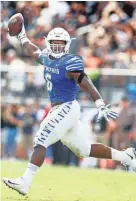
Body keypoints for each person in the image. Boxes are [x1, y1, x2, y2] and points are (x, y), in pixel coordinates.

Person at [3, 14, 136, 196]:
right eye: (54, 42)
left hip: (67, 107)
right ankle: (126, 156)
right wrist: (22, 36)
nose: (57, 46)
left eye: (61, 43)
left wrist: (99, 103)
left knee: (41, 138)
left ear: (67, 44)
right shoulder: (46, 58)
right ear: (49, 43)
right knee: (84, 149)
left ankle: (25, 182)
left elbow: (84, 81)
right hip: (61, 109)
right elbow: (32, 50)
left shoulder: (71, 61)